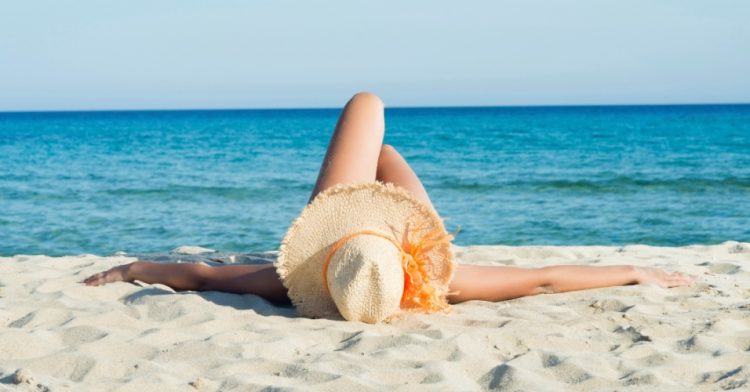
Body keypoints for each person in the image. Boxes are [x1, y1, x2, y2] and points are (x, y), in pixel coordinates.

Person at [84, 92, 695, 319]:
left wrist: (129, 270)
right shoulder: (442, 279)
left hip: (369, 247)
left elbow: (196, 276)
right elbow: (544, 281)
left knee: (366, 107)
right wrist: (637, 270)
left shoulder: (280, 284)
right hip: (395, 247)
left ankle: (376, 160)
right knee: (375, 122)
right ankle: (380, 161)